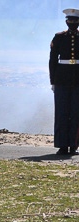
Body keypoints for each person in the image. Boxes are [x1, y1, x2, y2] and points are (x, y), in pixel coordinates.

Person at [49, 8, 79, 156]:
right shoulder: (59, 37)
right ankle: (62, 145)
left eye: (75, 20)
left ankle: (73, 145)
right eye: (70, 20)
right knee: (61, 112)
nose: (72, 23)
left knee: (76, 113)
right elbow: (53, 60)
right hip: (61, 78)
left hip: (78, 78)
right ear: (66, 21)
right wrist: (53, 81)